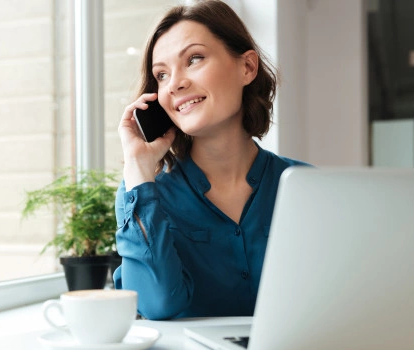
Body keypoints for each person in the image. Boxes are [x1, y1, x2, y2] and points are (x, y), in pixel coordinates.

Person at [114, 0, 309, 320]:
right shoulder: (143, 195)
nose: (175, 83)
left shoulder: (308, 187)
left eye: (194, 59)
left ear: (247, 67)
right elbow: (155, 306)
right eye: (161, 75)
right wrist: (137, 164)